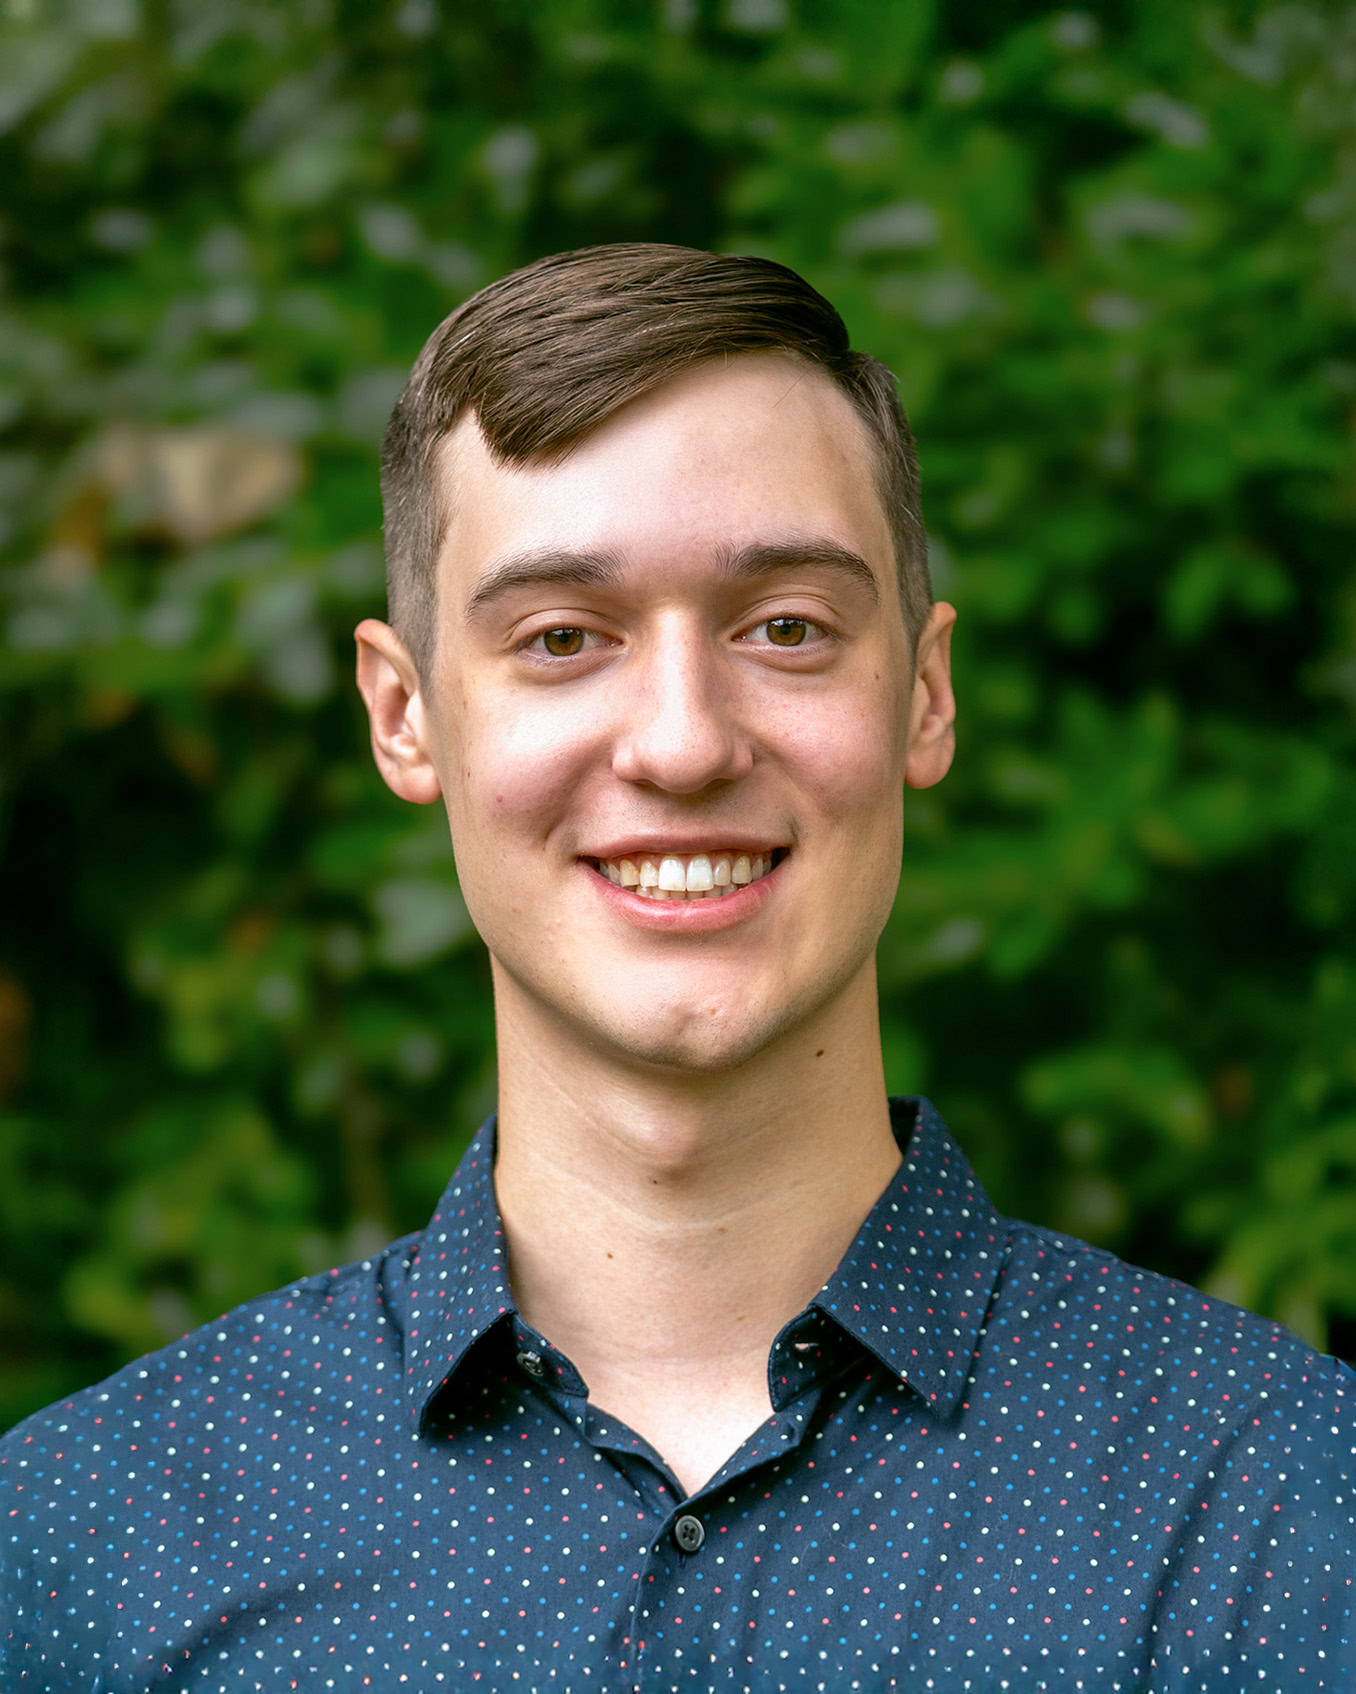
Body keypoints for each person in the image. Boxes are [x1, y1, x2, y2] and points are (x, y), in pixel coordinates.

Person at [2, 244, 1351, 1693]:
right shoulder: (85, 1546)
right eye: (561, 638)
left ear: (924, 692)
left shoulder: (1288, 1499)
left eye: (786, 627)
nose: (684, 741)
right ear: (404, 715)